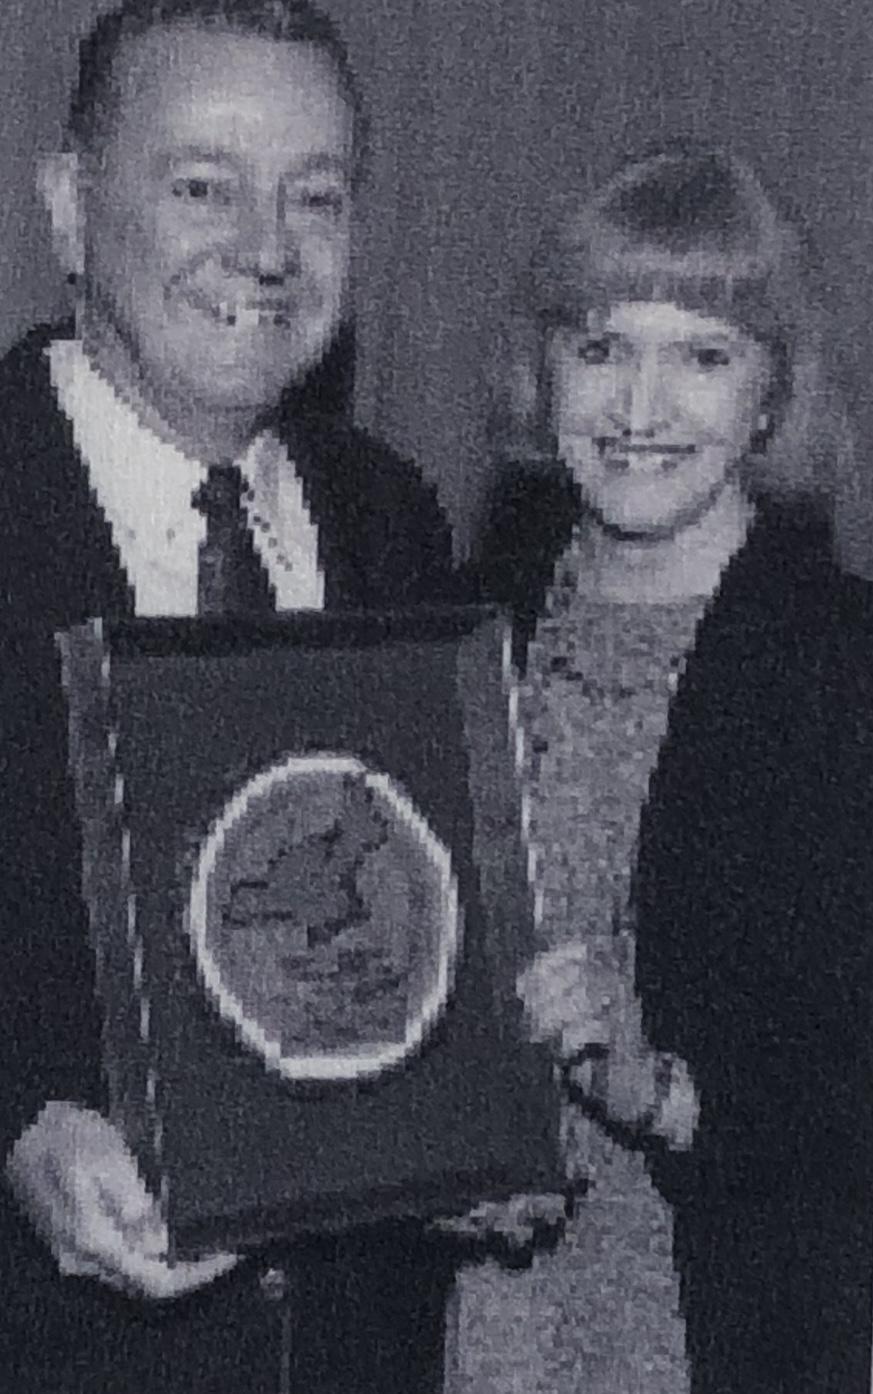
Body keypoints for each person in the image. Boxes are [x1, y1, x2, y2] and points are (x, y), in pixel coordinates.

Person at [0, 3, 466, 1391]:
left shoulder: (396, 522)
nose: (267, 247)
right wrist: (10, 1125)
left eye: (313, 197)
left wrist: (473, 1124)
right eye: (203, 184)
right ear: (73, 208)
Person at [452, 142, 871, 1394]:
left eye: (702, 354)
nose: (639, 407)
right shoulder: (452, 628)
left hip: (720, 1327)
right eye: (600, 348)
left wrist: (662, 1088)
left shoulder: (846, 669)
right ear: (545, 374)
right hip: (461, 1325)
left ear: (771, 396)